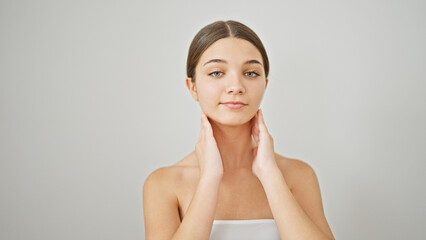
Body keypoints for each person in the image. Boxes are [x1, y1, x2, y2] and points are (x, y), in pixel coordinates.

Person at [143, 20, 335, 240]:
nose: (236, 86)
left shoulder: (298, 176)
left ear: (265, 84)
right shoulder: (163, 183)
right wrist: (210, 178)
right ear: (192, 87)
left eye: (251, 73)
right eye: (216, 73)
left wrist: (270, 174)